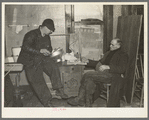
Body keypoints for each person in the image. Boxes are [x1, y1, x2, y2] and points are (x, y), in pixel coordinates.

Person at [17, 19, 68, 107]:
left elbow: (49, 47)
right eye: (50, 30)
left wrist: (50, 51)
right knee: (37, 79)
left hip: (40, 58)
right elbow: (25, 47)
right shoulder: (31, 34)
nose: (51, 32)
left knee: (53, 66)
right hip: (29, 60)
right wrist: (40, 51)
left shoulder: (47, 36)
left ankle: (59, 89)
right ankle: (47, 101)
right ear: (44, 27)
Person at [67, 38, 129, 107]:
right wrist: (88, 61)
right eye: (110, 44)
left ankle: (79, 99)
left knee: (87, 74)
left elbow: (122, 69)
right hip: (104, 74)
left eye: (112, 45)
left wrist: (109, 67)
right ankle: (88, 103)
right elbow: (99, 63)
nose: (110, 46)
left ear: (118, 46)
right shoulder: (108, 53)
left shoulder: (123, 55)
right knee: (89, 80)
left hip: (113, 76)